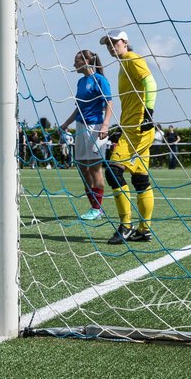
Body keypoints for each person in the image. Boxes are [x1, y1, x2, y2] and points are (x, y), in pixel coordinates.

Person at [99, 29, 157, 245]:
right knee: (140, 179)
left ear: (125, 42)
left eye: (114, 42)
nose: (111, 46)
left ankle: (126, 226)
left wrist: (149, 114)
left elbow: (151, 83)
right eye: (108, 44)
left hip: (138, 129)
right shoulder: (124, 64)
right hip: (133, 128)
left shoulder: (132, 58)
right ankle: (144, 230)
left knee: (113, 172)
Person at [58, 49, 114, 222]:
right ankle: (94, 207)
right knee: (82, 168)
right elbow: (79, 107)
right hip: (80, 127)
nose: (74, 63)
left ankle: (97, 209)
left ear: (87, 62)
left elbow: (109, 102)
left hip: (95, 127)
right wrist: (66, 123)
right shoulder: (81, 82)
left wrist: (105, 125)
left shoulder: (100, 79)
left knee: (95, 168)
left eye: (77, 60)